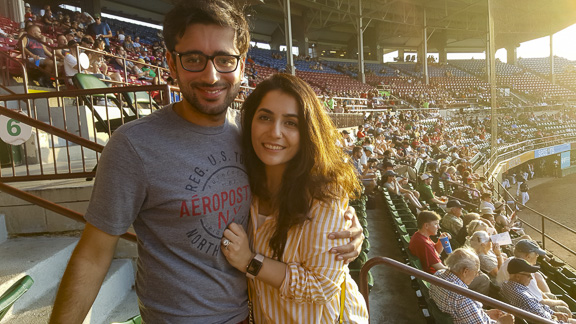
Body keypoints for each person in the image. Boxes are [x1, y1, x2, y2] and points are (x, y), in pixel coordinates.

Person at [49, 1, 363, 323]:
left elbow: (289, 198)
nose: (211, 76)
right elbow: (93, 254)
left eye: (224, 59)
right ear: (171, 62)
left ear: (242, 65)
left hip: (250, 315)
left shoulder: (253, 137)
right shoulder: (134, 145)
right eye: (194, 59)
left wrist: (342, 221)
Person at [221, 73, 368, 323]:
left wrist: (249, 261)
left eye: (291, 123)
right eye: (265, 117)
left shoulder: (325, 194)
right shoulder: (244, 180)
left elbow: (321, 287)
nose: (275, 132)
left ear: (308, 132)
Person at [429, 248, 514, 324]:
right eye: (476, 272)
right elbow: (463, 307)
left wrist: (485, 312)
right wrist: (501, 322)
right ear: (465, 271)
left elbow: (459, 312)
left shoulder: (438, 275)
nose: (477, 275)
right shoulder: (463, 299)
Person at [496, 240, 572, 317]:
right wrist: (560, 302)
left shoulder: (510, 262)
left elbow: (537, 295)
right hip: (533, 308)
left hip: (516, 302)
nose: (537, 256)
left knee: (550, 295)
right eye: (536, 254)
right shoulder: (524, 273)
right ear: (527, 256)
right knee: (565, 309)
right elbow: (540, 301)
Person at [501, 258, 576, 323]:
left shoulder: (506, 285)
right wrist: (559, 319)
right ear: (517, 276)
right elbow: (546, 319)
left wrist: (554, 313)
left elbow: (539, 306)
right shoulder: (524, 297)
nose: (531, 278)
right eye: (528, 275)